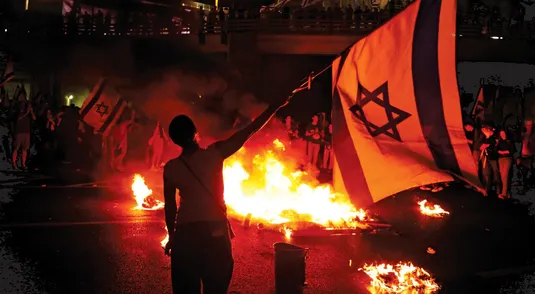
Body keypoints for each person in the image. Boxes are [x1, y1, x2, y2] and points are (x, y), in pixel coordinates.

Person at [163, 95, 291, 294]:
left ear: (174, 140)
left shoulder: (171, 168)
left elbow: (170, 207)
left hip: (185, 236)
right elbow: (249, 130)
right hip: (214, 232)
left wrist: (172, 237)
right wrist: (275, 105)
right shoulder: (214, 154)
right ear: (195, 132)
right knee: (216, 287)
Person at [11, 101, 35, 169]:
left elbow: (34, 118)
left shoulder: (28, 114)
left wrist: (31, 111)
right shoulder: (19, 113)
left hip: (27, 133)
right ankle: (14, 163)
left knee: (25, 149)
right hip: (19, 133)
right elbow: (19, 118)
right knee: (16, 148)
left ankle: (23, 164)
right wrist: (27, 112)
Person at [480, 124, 499, 196]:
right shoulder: (486, 137)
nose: (483, 132)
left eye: (484, 130)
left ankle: (498, 190)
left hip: (493, 158)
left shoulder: (494, 137)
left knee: (496, 173)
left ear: (488, 130)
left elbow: (485, 145)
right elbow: (481, 147)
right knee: (487, 173)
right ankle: (487, 188)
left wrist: (486, 144)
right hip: (487, 157)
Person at [496, 129, 514, 199]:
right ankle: (507, 192)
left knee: (505, 175)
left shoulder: (509, 141)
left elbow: (511, 151)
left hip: (507, 159)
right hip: (501, 159)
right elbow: (496, 149)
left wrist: (504, 152)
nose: (503, 135)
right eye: (501, 134)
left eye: (504, 133)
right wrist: (500, 151)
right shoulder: (499, 141)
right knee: (502, 175)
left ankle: (504, 193)